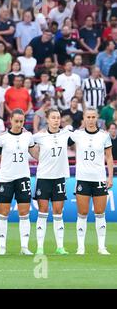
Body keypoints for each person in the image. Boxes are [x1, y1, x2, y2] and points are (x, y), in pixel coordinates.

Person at [0, 108, 38, 255]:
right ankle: (2, 247)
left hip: (23, 178)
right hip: (6, 179)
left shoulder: (28, 136)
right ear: (10, 120)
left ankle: (24, 247)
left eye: (21, 121)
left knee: (24, 213)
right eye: (16, 121)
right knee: (3, 212)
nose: (19, 124)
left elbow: (35, 154)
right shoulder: (2, 138)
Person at [69, 108, 113, 255]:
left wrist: (110, 177)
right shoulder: (78, 135)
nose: (91, 119)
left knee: (100, 213)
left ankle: (102, 247)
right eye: (88, 117)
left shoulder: (104, 136)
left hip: (99, 178)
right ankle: (80, 247)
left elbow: (109, 157)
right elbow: (61, 140)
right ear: (84, 118)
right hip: (83, 179)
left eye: (93, 117)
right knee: (82, 213)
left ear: (97, 118)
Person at [32, 108, 72, 255]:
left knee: (58, 212)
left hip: (59, 178)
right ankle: (40, 247)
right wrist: (37, 156)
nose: (56, 120)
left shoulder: (66, 133)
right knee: (42, 212)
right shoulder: (39, 136)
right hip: (43, 178)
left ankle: (60, 246)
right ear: (47, 119)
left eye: (58, 117)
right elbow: (24, 141)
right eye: (53, 118)